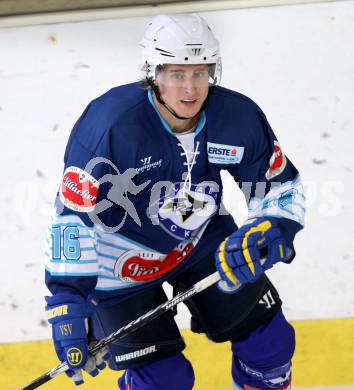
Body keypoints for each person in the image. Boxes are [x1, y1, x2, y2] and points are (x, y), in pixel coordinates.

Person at [44, 13, 305, 389]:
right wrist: (68, 300)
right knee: (165, 381)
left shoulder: (237, 117)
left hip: (203, 241)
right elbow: (73, 216)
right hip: (119, 262)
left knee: (271, 346)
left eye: (200, 72)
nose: (190, 88)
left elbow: (281, 187)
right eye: (177, 74)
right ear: (153, 73)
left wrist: (273, 226)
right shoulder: (110, 124)